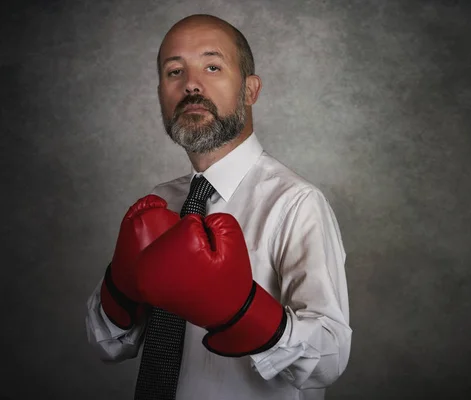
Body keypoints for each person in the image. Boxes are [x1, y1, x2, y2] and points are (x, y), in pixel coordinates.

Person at [85, 14, 351, 400]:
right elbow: (106, 344)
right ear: (161, 92)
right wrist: (121, 286)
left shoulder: (296, 202)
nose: (191, 83)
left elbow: (330, 359)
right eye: (174, 71)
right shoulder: (160, 203)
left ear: (250, 90)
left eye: (213, 66)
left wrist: (242, 312)